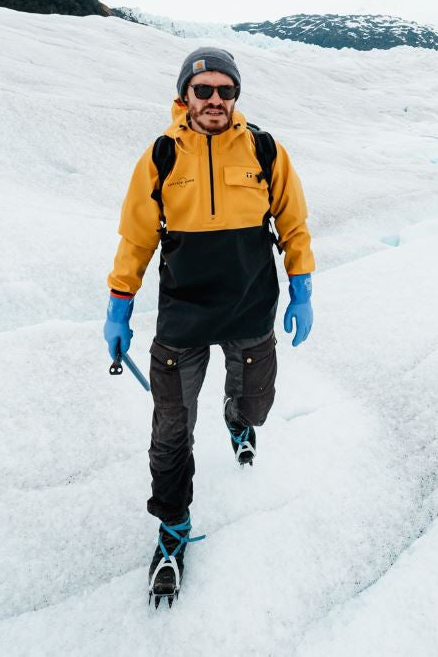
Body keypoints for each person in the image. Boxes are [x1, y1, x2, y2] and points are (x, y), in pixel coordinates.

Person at [103, 47, 315, 604]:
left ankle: (237, 418)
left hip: (251, 309)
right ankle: (172, 530)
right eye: (205, 91)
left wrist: (303, 287)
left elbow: (293, 224)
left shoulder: (265, 150)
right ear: (186, 96)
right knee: (171, 430)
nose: (216, 100)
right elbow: (137, 236)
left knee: (256, 407)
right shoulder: (162, 155)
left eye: (226, 90)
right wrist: (119, 306)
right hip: (184, 317)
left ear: (236, 96)